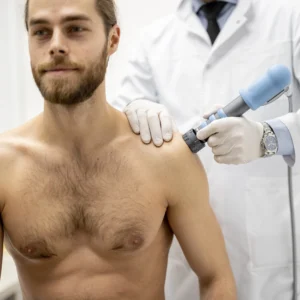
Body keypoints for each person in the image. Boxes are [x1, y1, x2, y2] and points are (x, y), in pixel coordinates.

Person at [0, 0, 237, 299]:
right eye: (41, 32)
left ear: (112, 39)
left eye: (75, 29)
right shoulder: (4, 166)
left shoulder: (165, 158)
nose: (56, 45)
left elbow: (217, 278)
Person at [112, 0, 300, 299]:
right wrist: (133, 111)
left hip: (275, 268)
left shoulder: (291, 19)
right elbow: (118, 134)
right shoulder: (153, 41)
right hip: (186, 267)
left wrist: (268, 137)